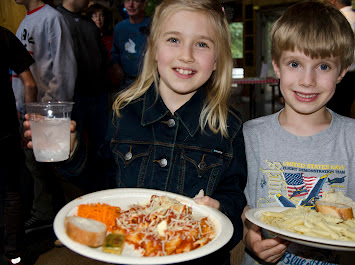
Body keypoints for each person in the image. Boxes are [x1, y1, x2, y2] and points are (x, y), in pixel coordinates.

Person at [25, 0, 247, 264]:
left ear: (217, 60)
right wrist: (73, 153)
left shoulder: (228, 125)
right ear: (153, 49)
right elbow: (103, 187)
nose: (186, 55)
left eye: (202, 44)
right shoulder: (122, 113)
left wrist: (220, 211)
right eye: (174, 39)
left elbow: (234, 197)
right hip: (128, 252)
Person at [241, 1, 355, 265]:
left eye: (323, 66)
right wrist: (249, 236)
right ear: (277, 66)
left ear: (342, 71)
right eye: (294, 64)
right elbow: (241, 205)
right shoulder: (251, 135)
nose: (307, 80)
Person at [12, 0, 77, 234]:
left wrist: (50, 110)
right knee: (35, 165)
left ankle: (53, 218)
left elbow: (63, 67)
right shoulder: (27, 19)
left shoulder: (51, 18)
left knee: (53, 165)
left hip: (44, 109)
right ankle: (48, 214)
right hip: (28, 109)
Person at [56, 0, 111, 192]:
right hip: (73, 98)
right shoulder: (57, 19)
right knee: (72, 151)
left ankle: (103, 193)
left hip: (99, 97)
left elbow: (104, 58)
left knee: (103, 146)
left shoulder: (89, 24)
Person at [0, 25, 37, 265]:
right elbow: (30, 84)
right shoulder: (2, 35)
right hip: (4, 128)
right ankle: (13, 254)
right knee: (11, 191)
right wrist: (28, 121)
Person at [327, 0, 355, 117]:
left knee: (333, 118)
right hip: (352, 77)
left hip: (341, 78)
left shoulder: (342, 20)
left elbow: (334, 52)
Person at [110, 0, 151, 89]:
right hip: (127, 83)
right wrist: (116, 66)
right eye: (127, 1)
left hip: (148, 82)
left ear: (143, 4)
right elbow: (115, 52)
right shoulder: (119, 28)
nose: (131, 5)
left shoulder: (152, 25)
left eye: (136, 1)